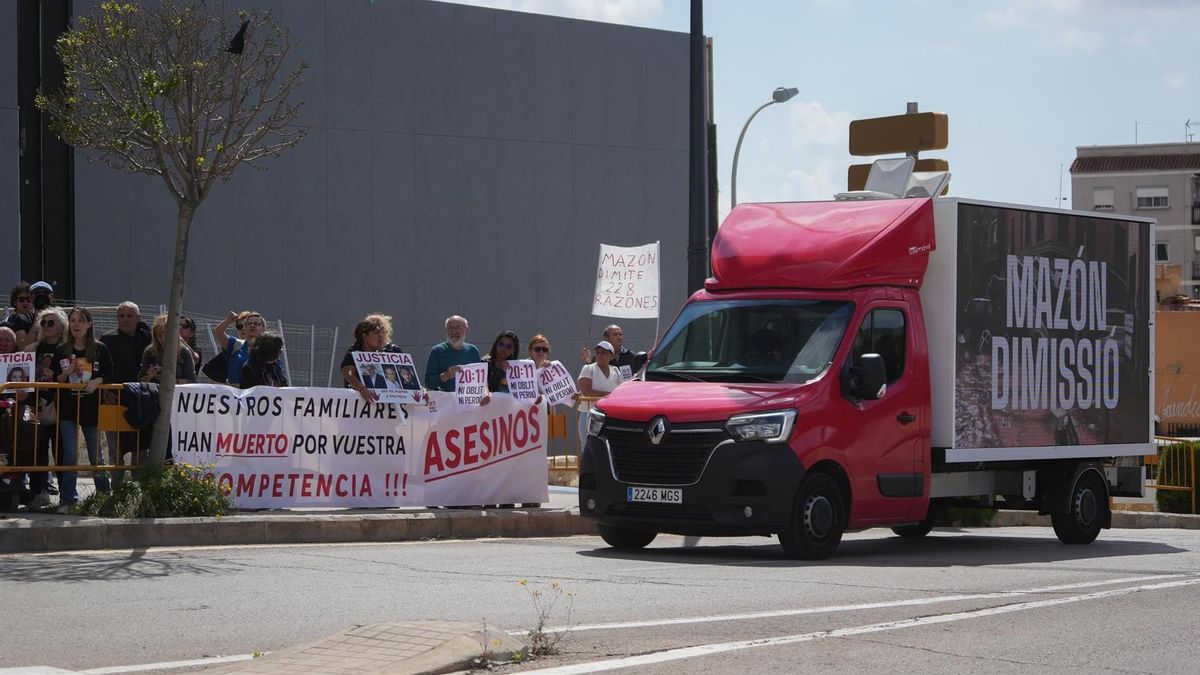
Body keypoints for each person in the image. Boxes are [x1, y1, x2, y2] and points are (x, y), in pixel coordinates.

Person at [52, 307, 115, 508]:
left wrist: (99, 380)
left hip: (91, 408)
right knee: (69, 453)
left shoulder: (100, 349)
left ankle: (104, 498)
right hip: (68, 408)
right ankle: (68, 499)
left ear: (89, 324)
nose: (76, 324)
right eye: (73, 320)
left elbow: (111, 373)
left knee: (97, 454)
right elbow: (57, 379)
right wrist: (68, 371)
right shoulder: (62, 350)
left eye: (81, 320)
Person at [100, 302, 151, 484]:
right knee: (115, 450)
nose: (125, 319)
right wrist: (108, 393)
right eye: (121, 315)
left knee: (140, 449)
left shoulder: (147, 339)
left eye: (130, 316)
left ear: (138, 318)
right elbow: (102, 370)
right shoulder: (107, 339)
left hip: (141, 401)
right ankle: (117, 490)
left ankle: (138, 490)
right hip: (114, 399)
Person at [340, 314, 404, 403]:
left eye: (383, 331)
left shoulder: (392, 351)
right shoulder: (354, 352)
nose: (381, 335)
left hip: (391, 407)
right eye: (377, 332)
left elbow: (404, 374)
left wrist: (419, 389)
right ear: (365, 336)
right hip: (362, 407)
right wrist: (361, 389)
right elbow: (348, 373)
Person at [577, 340, 624, 447]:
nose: (599, 355)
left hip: (609, 415)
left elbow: (621, 392)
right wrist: (610, 396)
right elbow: (586, 391)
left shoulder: (616, 370)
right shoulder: (588, 368)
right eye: (598, 352)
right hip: (588, 414)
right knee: (587, 447)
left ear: (611, 356)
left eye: (603, 352)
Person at [425, 315, 481, 393]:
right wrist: (446, 375)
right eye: (450, 328)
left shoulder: (473, 351)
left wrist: (485, 393)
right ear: (446, 330)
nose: (454, 332)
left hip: (468, 402)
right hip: (446, 403)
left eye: (458, 328)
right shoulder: (437, 351)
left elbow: (481, 381)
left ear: (466, 330)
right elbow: (429, 383)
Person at [210, 310, 266, 386]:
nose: (252, 325)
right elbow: (218, 332)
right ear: (245, 328)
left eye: (256, 324)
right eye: (249, 324)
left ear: (263, 328)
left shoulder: (269, 349)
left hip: (259, 393)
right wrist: (228, 320)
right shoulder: (235, 344)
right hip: (236, 393)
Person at [140, 314, 196, 384]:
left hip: (176, 392)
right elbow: (140, 379)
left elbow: (192, 381)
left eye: (166, 336)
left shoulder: (184, 352)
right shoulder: (150, 351)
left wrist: (173, 381)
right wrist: (149, 376)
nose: (163, 340)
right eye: (159, 336)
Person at [580, 324, 648, 375]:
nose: (619, 337)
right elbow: (593, 376)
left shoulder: (631, 356)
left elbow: (639, 376)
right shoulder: (599, 357)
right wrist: (588, 361)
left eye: (620, 334)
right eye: (615, 334)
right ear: (606, 338)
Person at [1, 282, 36, 349]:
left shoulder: (36, 318)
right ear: (15, 302)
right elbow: (23, 348)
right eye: (21, 299)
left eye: (29, 299)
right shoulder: (11, 320)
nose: (25, 302)